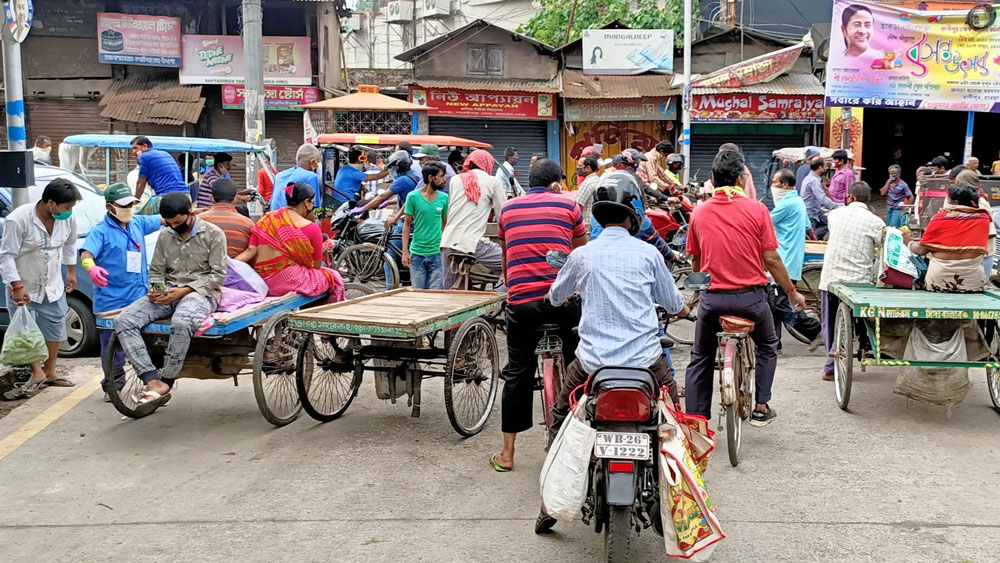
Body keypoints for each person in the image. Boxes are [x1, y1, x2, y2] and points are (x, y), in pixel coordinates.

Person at [684, 150, 805, 426]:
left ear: (712, 180)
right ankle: (761, 405)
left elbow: (696, 260)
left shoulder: (699, 213)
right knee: (768, 344)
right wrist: (791, 291)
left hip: (713, 301)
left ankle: (696, 418)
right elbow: (771, 258)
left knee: (700, 356)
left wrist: (698, 292)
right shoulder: (758, 209)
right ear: (741, 179)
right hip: (751, 300)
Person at [488, 159, 589, 475]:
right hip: (563, 302)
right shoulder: (569, 206)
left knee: (517, 371)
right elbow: (580, 254)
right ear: (556, 183)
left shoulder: (508, 210)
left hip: (522, 303)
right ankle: (586, 438)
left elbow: (506, 260)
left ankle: (507, 453)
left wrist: (514, 287)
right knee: (580, 362)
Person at [113, 193, 227, 409]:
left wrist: (183, 291)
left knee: (182, 322)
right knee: (124, 321)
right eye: (170, 224)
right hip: (168, 292)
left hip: (200, 293)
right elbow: (156, 271)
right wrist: (156, 291)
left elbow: (217, 276)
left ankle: (167, 379)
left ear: (190, 214)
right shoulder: (165, 236)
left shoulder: (213, 234)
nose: (174, 227)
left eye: (178, 222)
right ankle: (151, 379)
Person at [80, 183, 163, 399]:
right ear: (110, 207)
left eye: (132, 204)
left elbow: (164, 219)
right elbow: (86, 254)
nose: (129, 208)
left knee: (148, 343)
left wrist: (195, 213)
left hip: (140, 297)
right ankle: (113, 386)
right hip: (112, 300)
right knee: (113, 347)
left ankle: (153, 383)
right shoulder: (101, 231)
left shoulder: (137, 223)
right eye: (124, 205)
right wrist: (92, 268)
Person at [0, 179, 81, 398]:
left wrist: (71, 272)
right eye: (66, 207)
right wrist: (16, 285)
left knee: (55, 324)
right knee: (27, 330)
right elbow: (6, 256)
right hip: (24, 282)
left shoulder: (67, 219)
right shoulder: (18, 220)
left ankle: (50, 371)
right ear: (50, 203)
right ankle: (37, 372)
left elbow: (70, 244)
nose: (68, 212)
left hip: (52, 282)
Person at [819, 181, 884, 381]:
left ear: (850, 197)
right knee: (866, 319)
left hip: (832, 278)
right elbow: (881, 245)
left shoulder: (835, 215)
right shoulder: (876, 222)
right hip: (859, 282)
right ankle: (865, 347)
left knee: (829, 322)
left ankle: (830, 366)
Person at [243, 182, 345, 301]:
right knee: (334, 276)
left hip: (264, 281)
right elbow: (316, 266)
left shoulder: (266, 220)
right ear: (306, 202)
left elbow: (251, 250)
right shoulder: (311, 228)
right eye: (312, 202)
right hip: (289, 282)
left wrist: (231, 265)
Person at [440, 149, 506, 289]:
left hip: (448, 241)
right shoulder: (493, 182)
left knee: (450, 290)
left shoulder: (456, 179)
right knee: (511, 266)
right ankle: (500, 299)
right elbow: (503, 216)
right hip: (473, 243)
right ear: (488, 165)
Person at [907, 183, 992, 293]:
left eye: (947, 198)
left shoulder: (939, 218)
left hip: (939, 281)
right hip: (973, 282)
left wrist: (907, 241)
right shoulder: (984, 219)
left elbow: (920, 250)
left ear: (955, 202)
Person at [768, 169, 815, 347]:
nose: (773, 185)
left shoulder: (787, 204)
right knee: (774, 302)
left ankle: (815, 330)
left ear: (785, 185)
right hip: (792, 258)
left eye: (775, 182)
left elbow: (765, 222)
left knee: (779, 303)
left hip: (784, 260)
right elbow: (807, 225)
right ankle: (773, 342)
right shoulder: (797, 201)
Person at [401, 162, 449, 289]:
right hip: (417, 253)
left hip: (436, 254)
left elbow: (445, 224)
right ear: (431, 178)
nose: (444, 180)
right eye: (441, 176)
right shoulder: (413, 197)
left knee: (435, 295)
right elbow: (406, 225)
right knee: (418, 294)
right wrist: (405, 252)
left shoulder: (444, 198)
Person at [355, 150, 420, 226]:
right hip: (414, 218)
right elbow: (407, 197)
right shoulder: (413, 175)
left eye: (393, 168)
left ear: (400, 167)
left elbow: (382, 196)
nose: (392, 171)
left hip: (407, 220)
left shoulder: (402, 180)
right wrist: (388, 202)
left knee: (393, 237)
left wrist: (363, 209)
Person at [199, 179, 255, 259]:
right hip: (237, 269)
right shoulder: (247, 223)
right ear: (235, 199)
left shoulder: (198, 221)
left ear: (211, 198)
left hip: (203, 269)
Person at [954, 169, 997, 275]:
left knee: (980, 279)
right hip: (978, 245)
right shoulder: (977, 198)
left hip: (983, 245)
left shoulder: (979, 201)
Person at [320, 146, 389, 210]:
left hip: (338, 201)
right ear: (358, 161)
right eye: (363, 160)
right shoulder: (354, 173)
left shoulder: (344, 168)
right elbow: (377, 176)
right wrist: (390, 170)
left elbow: (352, 182)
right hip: (346, 202)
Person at [131, 136, 188, 213]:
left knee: (141, 215)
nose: (133, 152)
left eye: (135, 148)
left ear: (145, 146)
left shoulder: (144, 157)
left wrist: (135, 201)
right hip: (186, 196)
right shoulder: (165, 153)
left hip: (167, 198)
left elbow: (141, 183)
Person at [801, 156, 842, 239]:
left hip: (815, 212)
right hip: (811, 214)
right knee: (813, 238)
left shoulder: (812, 178)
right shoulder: (813, 180)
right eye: (825, 166)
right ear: (820, 167)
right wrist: (836, 207)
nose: (826, 168)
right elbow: (822, 197)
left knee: (828, 223)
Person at [575, 156, 601, 232]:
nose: (577, 168)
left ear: (588, 168)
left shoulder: (587, 184)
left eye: (580, 166)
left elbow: (578, 206)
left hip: (586, 227)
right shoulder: (599, 180)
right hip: (596, 225)